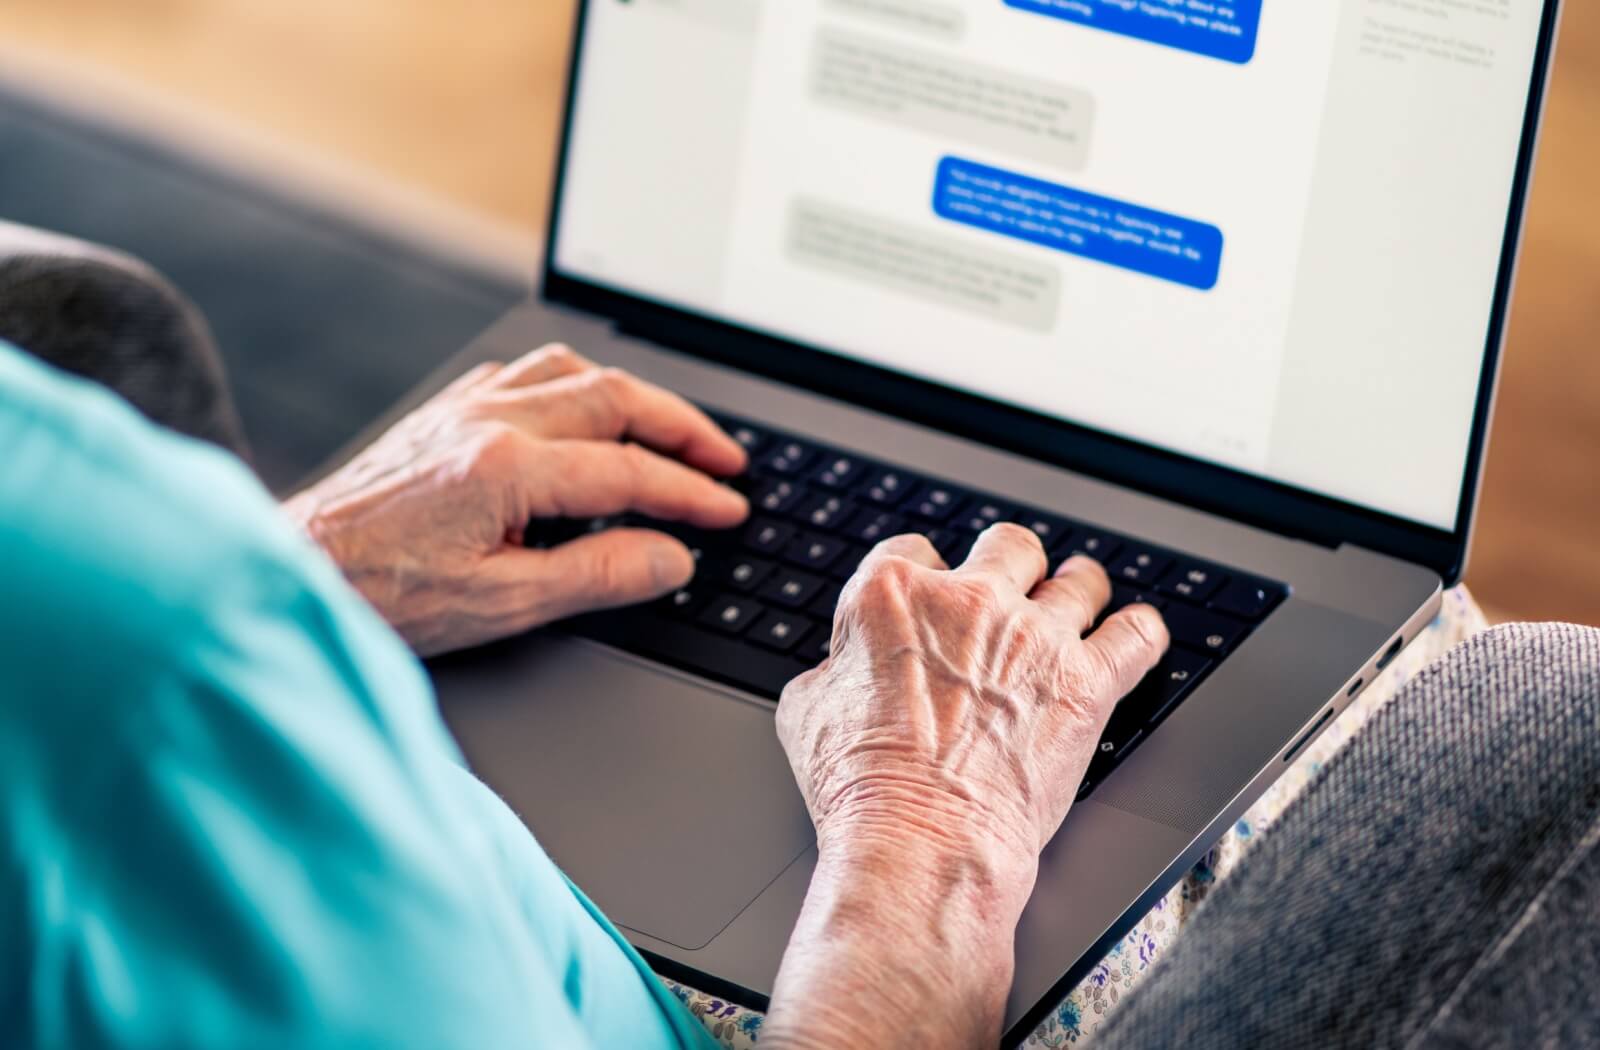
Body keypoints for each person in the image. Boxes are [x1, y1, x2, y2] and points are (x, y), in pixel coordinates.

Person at [3, 232, 1597, 1050]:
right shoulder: (162, 659)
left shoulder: (146, 617)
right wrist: (924, 845)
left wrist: (295, 579)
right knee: (1555, 721)